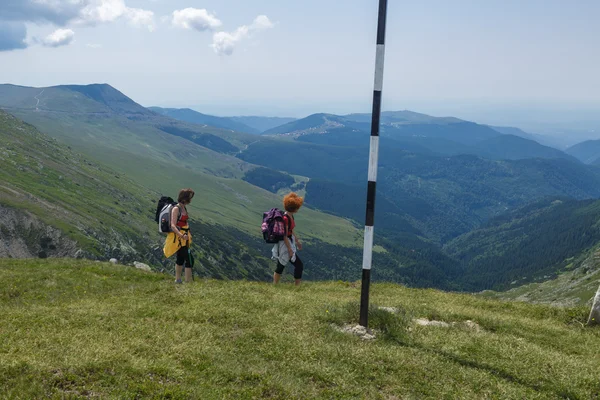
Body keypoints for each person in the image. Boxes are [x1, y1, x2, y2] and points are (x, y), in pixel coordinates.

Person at [273, 192, 304, 286]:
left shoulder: (290, 215)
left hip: (289, 241)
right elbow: (285, 235)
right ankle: (297, 286)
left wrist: (297, 241)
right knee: (298, 265)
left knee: (281, 265)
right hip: (285, 243)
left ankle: (275, 285)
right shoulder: (286, 218)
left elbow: (291, 230)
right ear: (295, 208)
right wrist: (290, 249)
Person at [167, 188, 195, 284]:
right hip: (179, 238)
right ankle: (188, 282)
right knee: (190, 259)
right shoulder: (176, 209)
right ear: (185, 198)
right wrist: (181, 235)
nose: (191, 200)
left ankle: (178, 280)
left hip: (184, 237)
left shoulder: (183, 207)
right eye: (190, 197)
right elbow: (173, 225)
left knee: (180, 258)